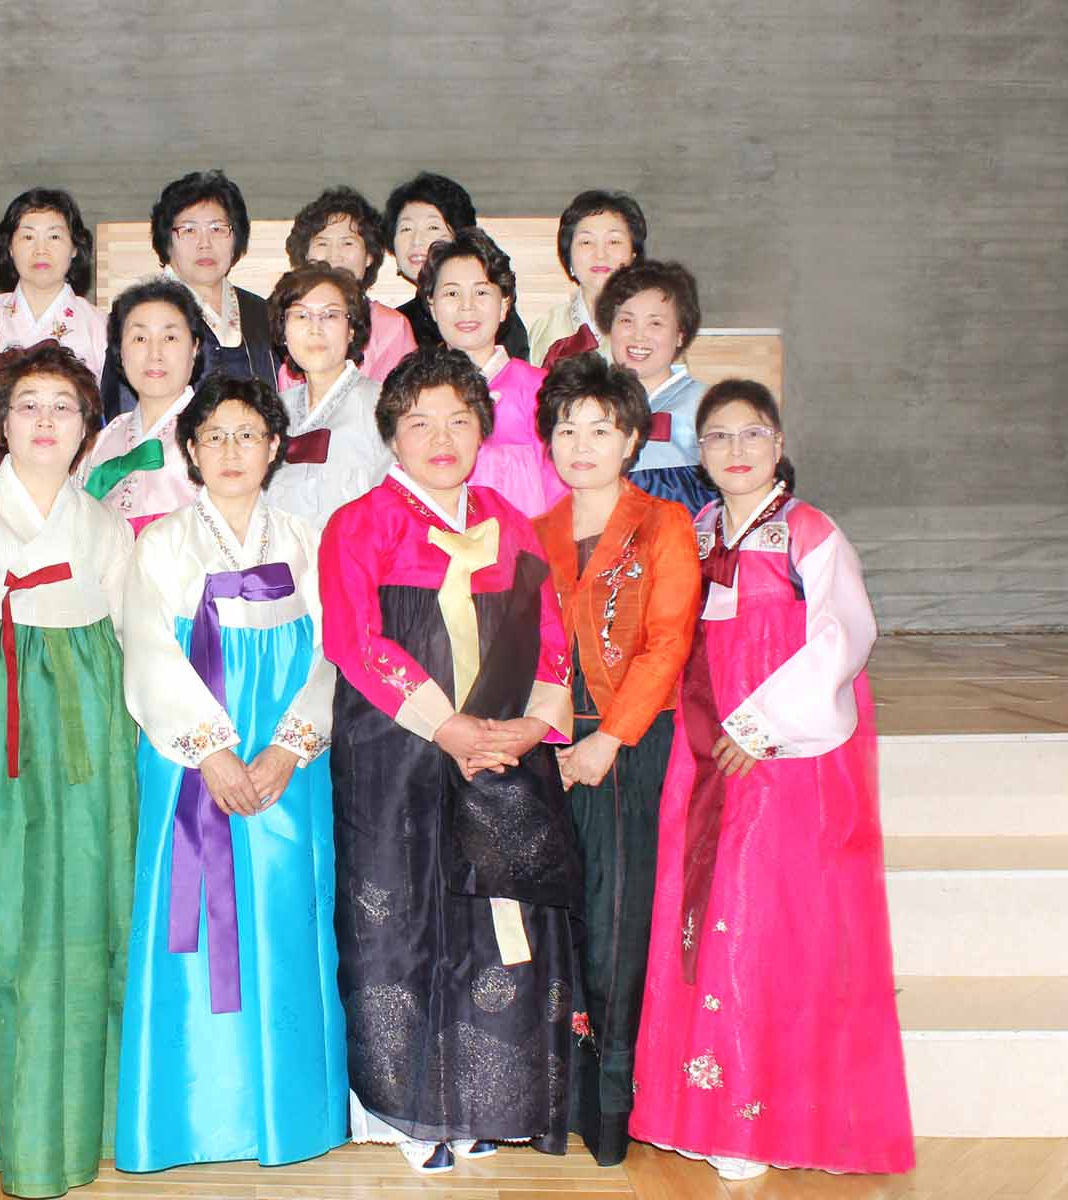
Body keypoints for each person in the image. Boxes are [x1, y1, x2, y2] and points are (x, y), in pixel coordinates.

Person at [630, 381, 914, 1181]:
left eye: (752, 433)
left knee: (765, 919)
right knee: (703, 908)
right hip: (702, 750)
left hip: (783, 755)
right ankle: (700, 1108)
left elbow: (844, 635)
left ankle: (758, 1116)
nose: (736, 450)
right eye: (718, 437)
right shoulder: (695, 532)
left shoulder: (809, 531)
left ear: (779, 442)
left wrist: (762, 726)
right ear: (700, 453)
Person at [320, 345, 577, 1175]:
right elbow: (356, 641)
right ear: (391, 434)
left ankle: (485, 1099)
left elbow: (550, 636)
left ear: (483, 431)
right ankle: (404, 1107)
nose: (440, 439)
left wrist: (531, 727)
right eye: (420, 422)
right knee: (397, 918)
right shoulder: (359, 523)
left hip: (499, 753)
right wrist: (446, 726)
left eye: (458, 421)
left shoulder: (511, 520)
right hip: (394, 753)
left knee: (489, 922)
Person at [0, 343, 137, 1198]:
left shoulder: (105, 526)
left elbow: (140, 644)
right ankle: (6, 1133)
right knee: (1, 922)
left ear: (87, 430)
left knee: (90, 919)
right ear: (0, 421)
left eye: (64, 407)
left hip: (92, 746)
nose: (45, 421)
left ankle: (90, 1124)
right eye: (28, 405)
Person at [116, 377, 348, 1174]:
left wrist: (289, 747)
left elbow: (334, 654)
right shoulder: (159, 545)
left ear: (275, 446)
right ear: (190, 450)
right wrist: (210, 749)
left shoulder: (307, 540)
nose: (231, 451)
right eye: (213, 436)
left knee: (285, 916)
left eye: (248, 434)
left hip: (289, 763)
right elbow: (147, 649)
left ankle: (290, 1112)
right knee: (192, 920)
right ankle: (190, 1114)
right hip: (191, 762)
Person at [531, 355, 700, 1166]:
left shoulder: (663, 524)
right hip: (548, 744)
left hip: (626, 743)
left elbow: (668, 643)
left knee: (614, 921)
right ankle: (551, 1099)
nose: (582, 444)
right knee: (554, 922)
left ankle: (608, 1112)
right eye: (567, 429)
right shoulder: (535, 532)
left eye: (601, 429)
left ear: (632, 438)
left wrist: (608, 739)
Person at [99, 169, 274, 418]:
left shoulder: (261, 312)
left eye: (217, 229)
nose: (205, 244)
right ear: (166, 240)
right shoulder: (138, 315)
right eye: (189, 230)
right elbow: (121, 408)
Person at [418, 231, 566, 516]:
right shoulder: (413, 395)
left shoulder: (542, 391)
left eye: (481, 292)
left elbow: (562, 499)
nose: (467, 306)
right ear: (433, 306)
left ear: (505, 304)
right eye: (451, 293)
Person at [264, 263, 389, 531]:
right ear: (283, 330)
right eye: (301, 316)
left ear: (351, 329)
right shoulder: (271, 412)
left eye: (330, 315)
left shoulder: (384, 406)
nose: (315, 328)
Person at [82, 278, 205, 531]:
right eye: (139, 339)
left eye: (170, 337)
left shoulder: (215, 434)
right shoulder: (104, 440)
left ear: (194, 347)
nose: (154, 354)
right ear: (120, 351)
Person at [595, 259, 715, 514]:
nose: (638, 336)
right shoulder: (591, 405)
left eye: (655, 323)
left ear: (680, 334)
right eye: (626, 321)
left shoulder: (707, 406)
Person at [383, 171, 528, 361]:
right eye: (406, 229)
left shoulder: (493, 318)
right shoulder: (393, 325)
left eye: (433, 227)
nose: (417, 240)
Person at [281, 187, 416, 382]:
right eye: (322, 243)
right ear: (306, 255)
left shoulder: (392, 327)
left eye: (347, 243)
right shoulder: (293, 321)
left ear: (369, 256)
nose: (334, 255)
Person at [0, 188, 107, 377]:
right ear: (10, 247)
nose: (41, 250)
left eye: (54, 237)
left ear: (75, 247)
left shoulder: (99, 324)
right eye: (28, 237)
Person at [527, 191, 646, 369]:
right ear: (568, 256)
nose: (600, 254)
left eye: (613, 242)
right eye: (586, 242)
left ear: (633, 255)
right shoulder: (545, 328)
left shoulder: (656, 323)